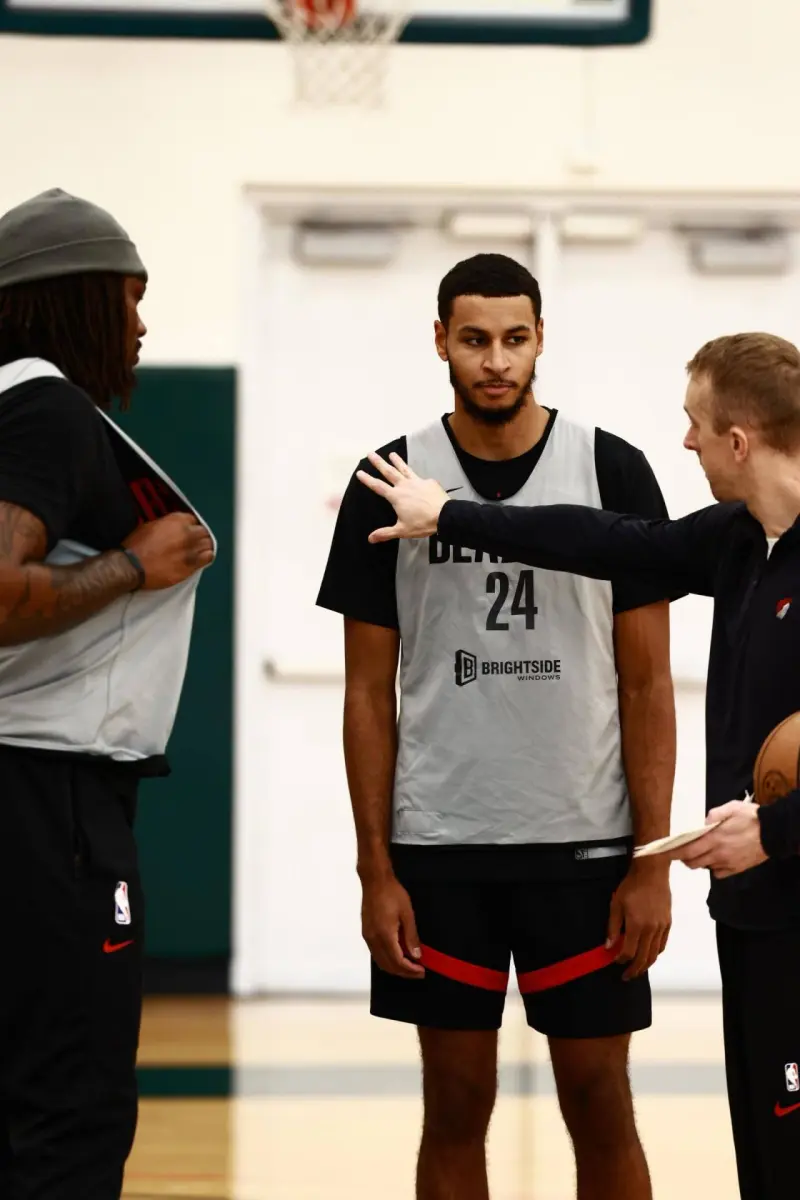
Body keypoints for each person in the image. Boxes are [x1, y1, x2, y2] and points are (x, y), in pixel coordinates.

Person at [357, 329, 800, 1200]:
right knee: (769, 1154)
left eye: (696, 425)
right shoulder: (741, 542)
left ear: (739, 442)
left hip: (782, 874)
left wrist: (778, 829)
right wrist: (449, 514)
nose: (686, 442)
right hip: (757, 908)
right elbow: (604, 541)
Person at [317, 253, 682, 1200]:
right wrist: (375, 870)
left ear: (540, 341)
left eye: (514, 339)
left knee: (601, 1101)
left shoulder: (612, 468)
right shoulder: (385, 479)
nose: (495, 360)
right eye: (474, 339)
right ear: (440, 340)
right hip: (442, 850)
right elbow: (366, 694)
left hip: (587, 847)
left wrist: (652, 859)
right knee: (454, 1104)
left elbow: (648, 686)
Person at [0, 188, 216, 1199]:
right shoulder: (44, 405)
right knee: (72, 1103)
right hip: (51, 801)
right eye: (127, 299)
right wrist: (138, 564)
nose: (139, 325)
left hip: (39, 791)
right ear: (70, 299)